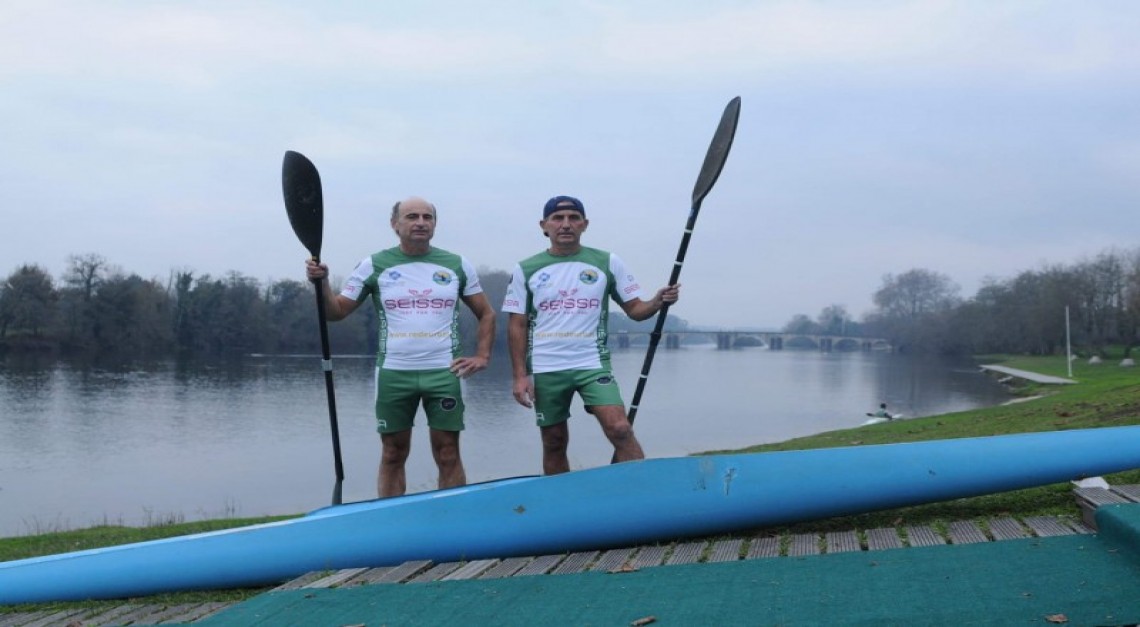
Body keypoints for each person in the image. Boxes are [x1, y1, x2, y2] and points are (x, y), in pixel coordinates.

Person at [305, 196, 495, 497]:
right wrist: (322, 283)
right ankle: (394, 522)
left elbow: (486, 313)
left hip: (445, 372)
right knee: (393, 452)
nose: (420, 222)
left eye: (427, 217)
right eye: (411, 217)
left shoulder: (457, 264)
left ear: (434, 224)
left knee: (447, 452)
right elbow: (335, 312)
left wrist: (482, 355)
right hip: (394, 373)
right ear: (395, 224)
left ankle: (453, 521)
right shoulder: (373, 264)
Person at [502, 195, 680, 475]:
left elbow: (635, 309)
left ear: (584, 224)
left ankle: (643, 493)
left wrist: (658, 301)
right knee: (554, 441)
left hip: (592, 363)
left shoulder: (607, 262)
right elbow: (517, 324)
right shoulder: (525, 269)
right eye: (558, 219)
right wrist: (520, 375)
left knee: (620, 428)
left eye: (573, 218)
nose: (566, 224)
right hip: (547, 367)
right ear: (544, 225)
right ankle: (562, 503)